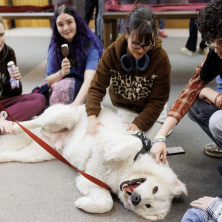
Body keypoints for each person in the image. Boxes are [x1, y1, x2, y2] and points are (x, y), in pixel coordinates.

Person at [151, 0, 222, 164]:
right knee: (195, 103)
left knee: (217, 121)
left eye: (221, 42)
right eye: (212, 43)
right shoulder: (214, 52)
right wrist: (160, 136)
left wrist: (210, 93)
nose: (217, 49)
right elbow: (189, 91)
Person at [85, 6, 171, 141]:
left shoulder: (161, 58)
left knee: (145, 143)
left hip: (153, 108)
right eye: (136, 43)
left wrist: (139, 124)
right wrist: (92, 116)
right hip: (126, 107)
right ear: (126, 34)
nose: (141, 50)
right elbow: (97, 86)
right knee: (122, 139)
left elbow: (158, 100)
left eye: (147, 45)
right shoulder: (111, 53)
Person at [45, 5, 103, 106]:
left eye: (69, 22)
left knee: (67, 88)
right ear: (56, 27)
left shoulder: (90, 46)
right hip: (61, 85)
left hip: (85, 87)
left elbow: (90, 78)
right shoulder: (54, 48)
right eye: (60, 25)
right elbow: (49, 81)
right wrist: (62, 72)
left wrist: (75, 104)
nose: (66, 28)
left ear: (77, 22)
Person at [0, 18, 46, 134]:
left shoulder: (8, 52)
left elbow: (14, 94)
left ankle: (4, 123)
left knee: (39, 99)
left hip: (3, 104)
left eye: (1, 35)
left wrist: (15, 81)